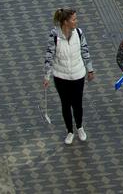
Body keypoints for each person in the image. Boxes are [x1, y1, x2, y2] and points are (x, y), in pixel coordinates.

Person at [44, 8, 94, 145]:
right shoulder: (54, 35)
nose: (76, 21)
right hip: (61, 77)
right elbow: (49, 56)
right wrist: (47, 76)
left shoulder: (79, 32)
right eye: (73, 19)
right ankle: (69, 131)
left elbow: (85, 50)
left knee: (77, 103)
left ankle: (79, 127)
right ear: (65, 22)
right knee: (65, 104)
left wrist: (90, 69)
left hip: (78, 75)